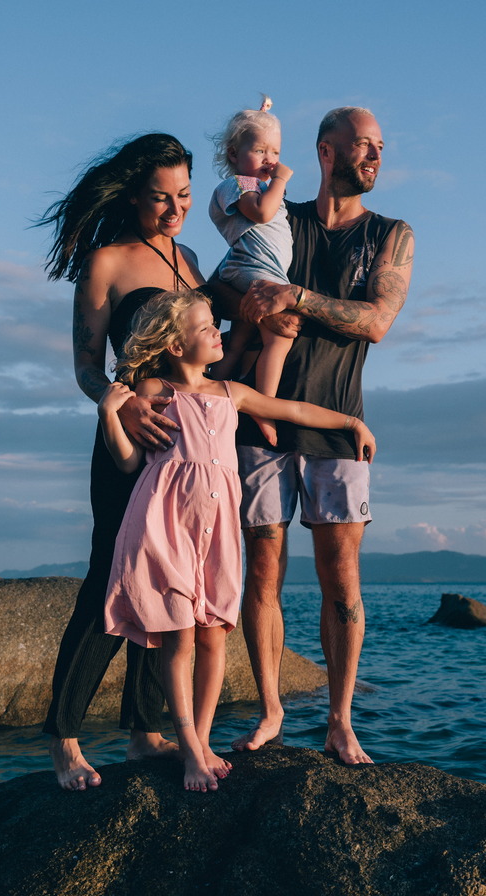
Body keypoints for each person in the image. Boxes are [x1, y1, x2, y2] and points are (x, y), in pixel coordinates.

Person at [97, 290, 376, 792]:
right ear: (177, 347)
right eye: (206, 328)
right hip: (165, 527)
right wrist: (109, 416)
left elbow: (291, 409)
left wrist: (351, 421)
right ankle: (189, 749)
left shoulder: (231, 392)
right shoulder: (153, 389)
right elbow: (126, 462)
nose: (218, 334)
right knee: (180, 637)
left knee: (212, 634)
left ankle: (200, 740)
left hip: (217, 532)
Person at [231, 106, 414, 764]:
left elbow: (376, 321)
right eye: (362, 144)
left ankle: (339, 720)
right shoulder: (281, 221)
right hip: (258, 422)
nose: (374, 155)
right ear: (325, 152)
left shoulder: (390, 235)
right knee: (262, 575)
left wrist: (294, 299)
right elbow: (236, 267)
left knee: (341, 581)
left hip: (339, 425)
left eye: (380, 146)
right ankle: (271, 710)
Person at [37, 133, 207, 791]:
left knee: (163, 580)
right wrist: (117, 399)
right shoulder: (106, 261)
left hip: (183, 447)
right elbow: (85, 365)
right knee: (110, 576)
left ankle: (144, 730)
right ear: (133, 196)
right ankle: (64, 738)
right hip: (127, 442)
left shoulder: (190, 258)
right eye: (160, 198)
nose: (174, 210)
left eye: (184, 195)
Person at [209, 98, 295, 446]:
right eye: (259, 150)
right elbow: (261, 213)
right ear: (233, 154)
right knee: (281, 336)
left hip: (262, 270)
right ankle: (264, 407)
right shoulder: (237, 186)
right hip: (253, 271)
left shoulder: (258, 185)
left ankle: (211, 393)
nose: (270, 160)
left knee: (241, 339)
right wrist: (281, 180)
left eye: (274, 151)